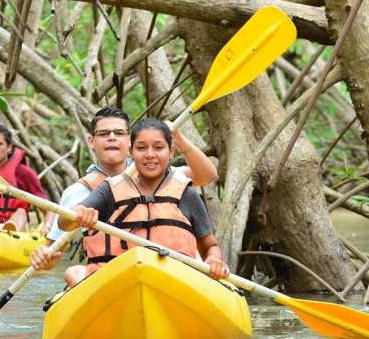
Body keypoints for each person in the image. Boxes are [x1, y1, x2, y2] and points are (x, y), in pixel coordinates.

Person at [33, 118, 229, 287]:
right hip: (118, 281)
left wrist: (214, 259)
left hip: (175, 280)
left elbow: (210, 245)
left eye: (158, 148)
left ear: (171, 152)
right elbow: (64, 222)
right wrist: (78, 215)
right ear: (131, 153)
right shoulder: (109, 189)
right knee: (74, 272)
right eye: (141, 148)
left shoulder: (186, 193)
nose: (150, 154)